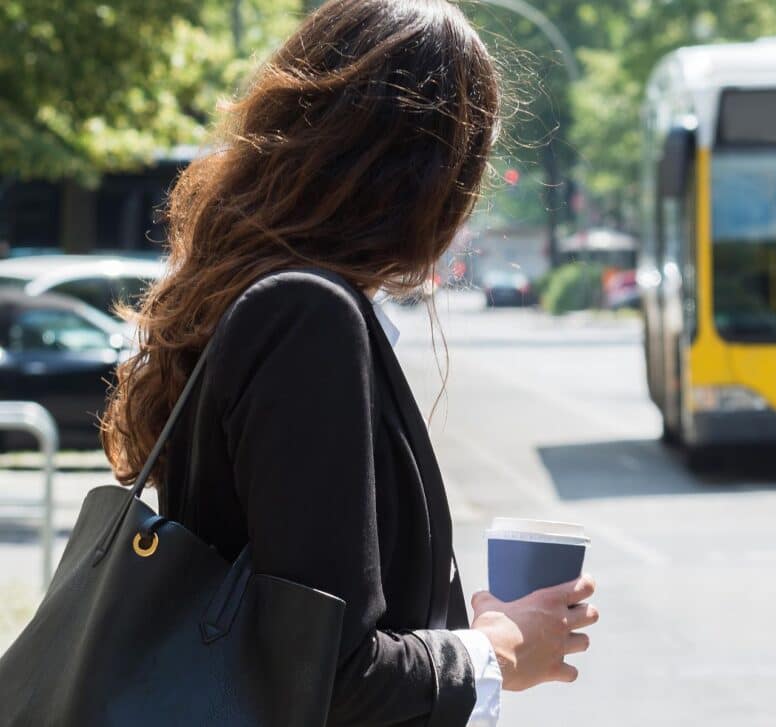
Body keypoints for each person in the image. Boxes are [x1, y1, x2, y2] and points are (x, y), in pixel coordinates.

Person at [99, 1, 597, 725]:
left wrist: (468, 634)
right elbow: (330, 677)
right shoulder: (307, 317)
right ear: (430, 170)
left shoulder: (259, 298)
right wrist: (495, 651)